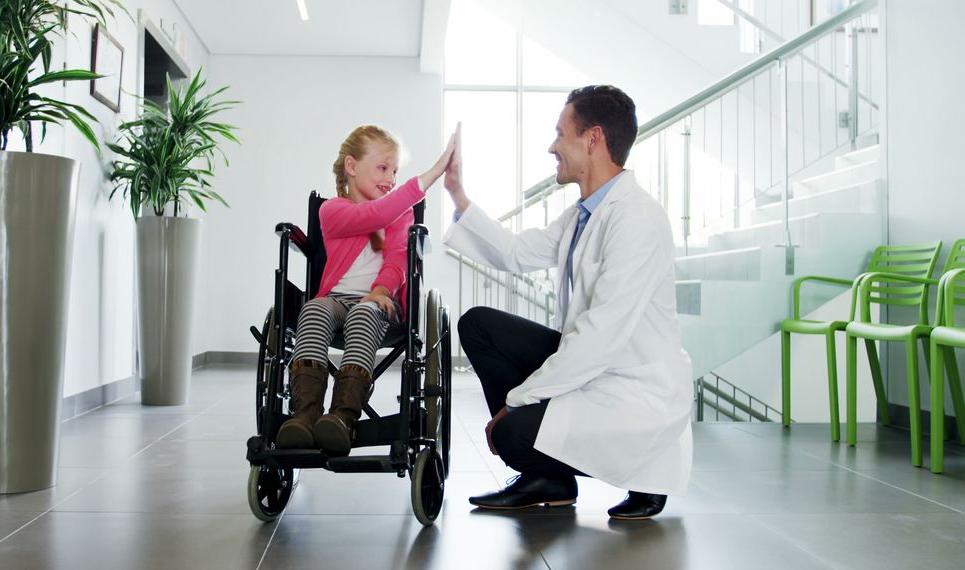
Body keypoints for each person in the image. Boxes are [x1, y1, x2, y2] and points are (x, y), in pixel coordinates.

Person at [442, 85, 692, 519]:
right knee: (479, 325)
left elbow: (600, 338)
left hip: (633, 391)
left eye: (561, 134)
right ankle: (547, 477)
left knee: (514, 432)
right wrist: (458, 195)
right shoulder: (584, 214)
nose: (552, 146)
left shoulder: (636, 219)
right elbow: (518, 252)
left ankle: (632, 473)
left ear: (592, 138)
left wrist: (517, 401)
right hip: (598, 370)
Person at [277, 125, 455, 456]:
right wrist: (431, 173)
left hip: (381, 306)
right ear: (351, 166)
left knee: (365, 310)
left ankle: (342, 418)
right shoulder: (331, 210)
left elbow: (399, 258)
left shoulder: (399, 217)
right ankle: (304, 416)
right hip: (334, 302)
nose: (390, 178)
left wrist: (381, 289)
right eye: (383, 167)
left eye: (396, 171)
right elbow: (375, 214)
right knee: (313, 308)